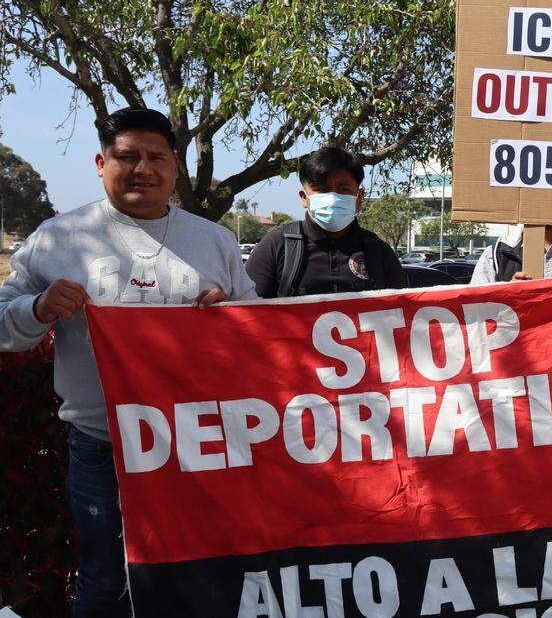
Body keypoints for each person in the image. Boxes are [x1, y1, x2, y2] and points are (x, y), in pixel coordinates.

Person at [0, 107, 255, 616]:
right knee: (106, 576)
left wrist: (231, 315)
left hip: (199, 441)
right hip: (102, 445)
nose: (143, 168)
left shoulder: (216, 240)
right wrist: (38, 307)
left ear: (175, 167)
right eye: (127, 157)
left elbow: (257, 332)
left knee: (198, 570)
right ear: (101, 163)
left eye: (156, 157)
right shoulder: (58, 237)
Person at [245, 146, 404, 297]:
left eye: (343, 189)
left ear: (360, 197)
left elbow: (403, 313)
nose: (333, 198)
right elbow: (246, 312)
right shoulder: (276, 246)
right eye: (321, 189)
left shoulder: (378, 251)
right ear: (304, 198)